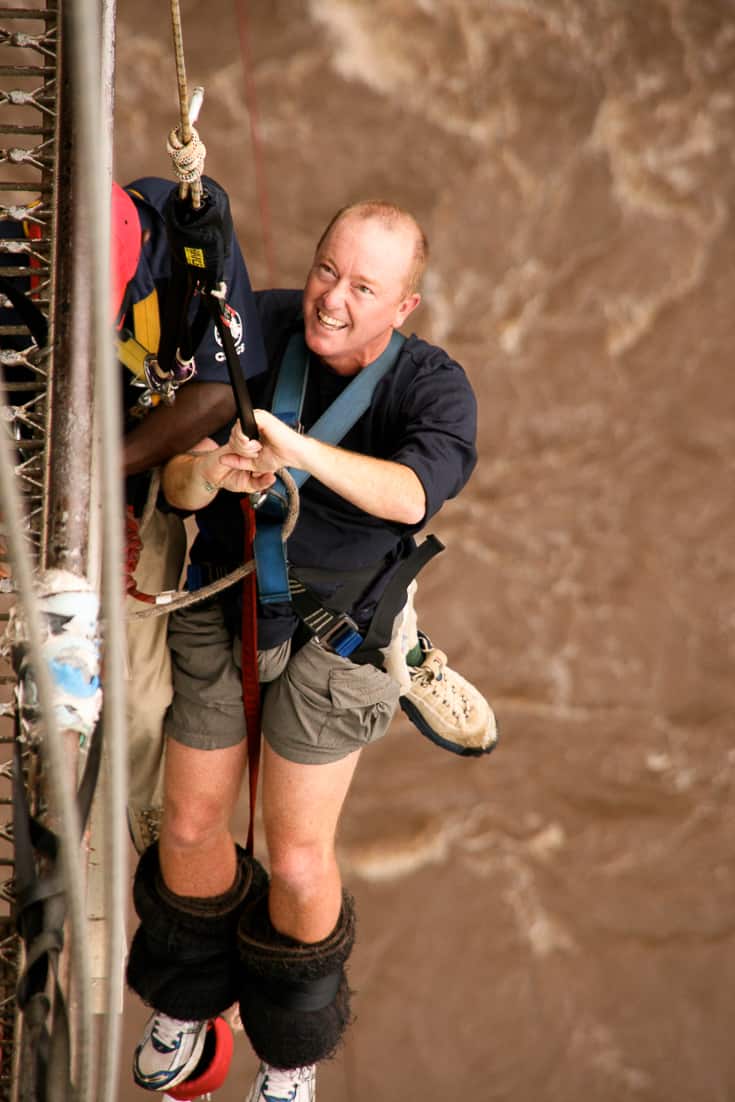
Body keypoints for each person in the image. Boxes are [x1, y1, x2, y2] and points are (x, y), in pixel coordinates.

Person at [125, 199, 486, 1101]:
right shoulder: (256, 323)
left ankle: (289, 1055)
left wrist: (293, 451)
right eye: (328, 270)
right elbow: (175, 472)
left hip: (340, 632)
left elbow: (409, 497)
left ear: (403, 307)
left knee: (294, 856)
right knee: (193, 823)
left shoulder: (433, 389)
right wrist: (211, 470)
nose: (332, 300)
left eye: (364, 288)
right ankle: (189, 999)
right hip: (225, 597)